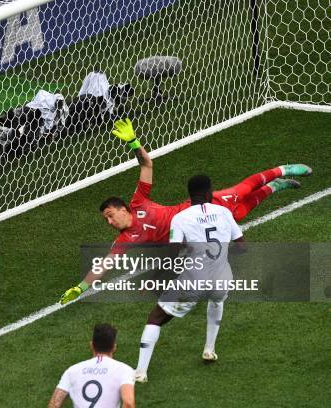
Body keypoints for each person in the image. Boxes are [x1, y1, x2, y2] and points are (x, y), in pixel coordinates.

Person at [59, 118, 311, 304]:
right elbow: (105, 264)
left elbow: (147, 164)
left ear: (123, 208)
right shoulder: (125, 239)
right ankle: (275, 187)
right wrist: (80, 287)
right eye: (106, 219)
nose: (109, 221)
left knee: (240, 191)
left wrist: (134, 143)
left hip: (196, 207)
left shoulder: (139, 202)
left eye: (110, 215)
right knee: (238, 214)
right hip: (194, 228)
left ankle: (282, 170)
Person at [134, 174, 244, 383]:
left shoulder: (181, 218)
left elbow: (173, 254)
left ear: (190, 195)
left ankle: (140, 372)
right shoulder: (223, 212)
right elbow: (242, 247)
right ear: (208, 192)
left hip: (194, 280)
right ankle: (209, 350)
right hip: (222, 277)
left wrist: (154, 278)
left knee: (155, 317)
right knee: (217, 299)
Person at [48, 323, 135, 408]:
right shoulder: (124, 370)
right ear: (114, 347)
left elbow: (54, 404)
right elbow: (128, 403)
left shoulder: (72, 371)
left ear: (91, 345)